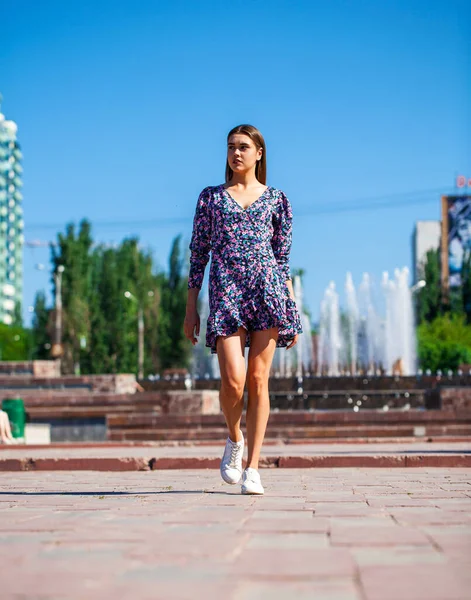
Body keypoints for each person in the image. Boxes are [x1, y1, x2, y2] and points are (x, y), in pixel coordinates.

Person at [183, 124, 303, 495]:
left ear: (259, 153)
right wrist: (191, 307)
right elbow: (198, 252)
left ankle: (253, 466)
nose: (236, 153)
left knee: (258, 380)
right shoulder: (211, 198)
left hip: (267, 293)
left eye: (243, 147)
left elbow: (282, 262)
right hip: (227, 293)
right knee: (233, 381)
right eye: (231, 147)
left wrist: (292, 309)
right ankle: (234, 439)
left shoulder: (277, 200)